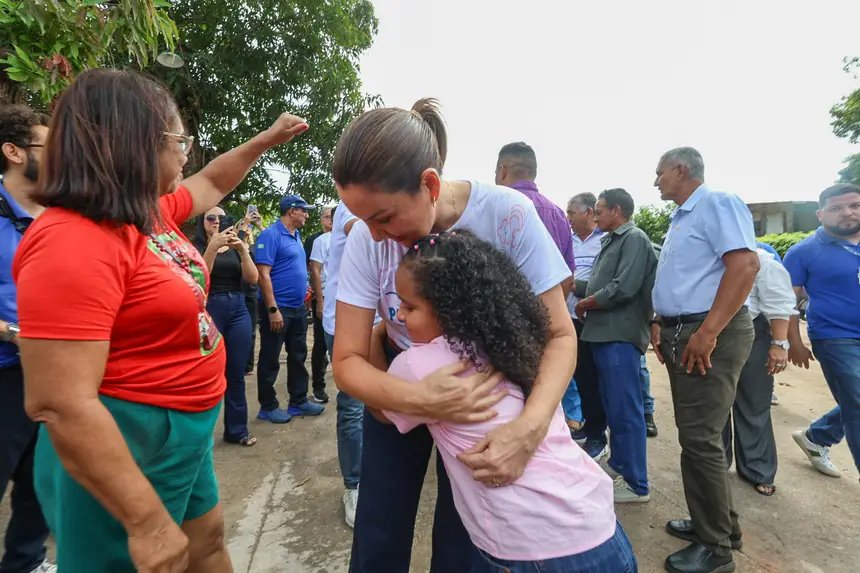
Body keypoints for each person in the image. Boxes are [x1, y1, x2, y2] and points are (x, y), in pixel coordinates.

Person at [13, 68, 308, 572]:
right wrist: (146, 522)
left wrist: (266, 138)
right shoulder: (73, 239)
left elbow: (214, 179)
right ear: (133, 142)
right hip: (125, 444)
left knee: (207, 542)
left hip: (180, 430)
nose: (186, 151)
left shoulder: (146, 213)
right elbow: (61, 402)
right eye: (178, 139)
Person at [331, 99, 576, 573]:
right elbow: (348, 360)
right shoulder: (368, 239)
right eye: (364, 221)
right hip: (398, 388)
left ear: (429, 184)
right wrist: (416, 398)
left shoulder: (508, 215)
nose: (376, 236)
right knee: (379, 529)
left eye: (383, 217)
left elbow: (560, 336)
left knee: (471, 540)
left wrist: (529, 428)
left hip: (484, 399)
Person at [382, 230, 636, 573]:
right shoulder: (517, 347)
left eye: (409, 307)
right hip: (598, 526)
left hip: (530, 551)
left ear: (449, 311)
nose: (399, 317)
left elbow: (380, 409)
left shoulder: (416, 365)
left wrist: (373, 336)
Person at [650, 147, 759, 573]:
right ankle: (718, 526)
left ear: (681, 170)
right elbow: (683, 277)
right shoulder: (682, 219)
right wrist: (661, 321)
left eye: (659, 173)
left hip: (708, 332)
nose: (655, 180)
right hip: (686, 330)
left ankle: (715, 550)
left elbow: (745, 265)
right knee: (700, 439)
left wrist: (707, 333)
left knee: (699, 441)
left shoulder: (716, 203)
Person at [0, 105, 56, 573]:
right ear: (14, 152)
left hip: (56, 372)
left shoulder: (61, 216)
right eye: (47, 146)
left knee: (42, 481)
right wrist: (12, 334)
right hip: (6, 373)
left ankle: (27, 562)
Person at [575, 188, 657, 504]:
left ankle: (637, 483)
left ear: (616, 211)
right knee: (614, 406)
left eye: (599, 210)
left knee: (625, 410)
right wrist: (577, 286)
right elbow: (601, 283)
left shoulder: (634, 238)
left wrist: (586, 302)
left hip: (619, 335)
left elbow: (623, 288)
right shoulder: (611, 241)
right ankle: (622, 468)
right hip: (602, 334)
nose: (595, 216)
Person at [785, 183, 860, 479]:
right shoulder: (803, 252)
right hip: (834, 336)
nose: (847, 213)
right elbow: (786, 302)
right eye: (836, 208)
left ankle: (817, 437)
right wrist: (793, 341)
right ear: (820, 214)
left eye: (854, 205)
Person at [722, 246, 795, 496]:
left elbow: (779, 304)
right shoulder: (708, 259)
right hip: (712, 334)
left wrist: (779, 344)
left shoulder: (763, 262)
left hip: (754, 334)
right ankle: (716, 465)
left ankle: (758, 469)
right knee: (716, 406)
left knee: (753, 404)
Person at [255, 195, 325, 423]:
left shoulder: (295, 236)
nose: (307, 215)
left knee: (298, 355)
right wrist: (272, 309)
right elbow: (263, 275)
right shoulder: (270, 235)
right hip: (279, 308)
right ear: (292, 211)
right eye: (304, 211)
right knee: (270, 357)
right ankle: (268, 406)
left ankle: (298, 401)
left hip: (297, 308)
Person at [193, 208, 259, 446]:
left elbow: (252, 279)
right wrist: (213, 247)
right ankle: (199, 434)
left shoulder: (234, 246)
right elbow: (200, 278)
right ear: (203, 223)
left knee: (236, 372)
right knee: (206, 371)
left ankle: (236, 430)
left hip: (238, 307)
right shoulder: (195, 248)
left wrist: (242, 250)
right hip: (210, 309)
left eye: (222, 219)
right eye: (211, 218)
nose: (216, 222)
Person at [321, 201, 365, 527]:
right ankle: (354, 485)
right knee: (353, 406)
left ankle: (375, 475)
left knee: (383, 406)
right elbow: (367, 231)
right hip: (345, 324)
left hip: (382, 322)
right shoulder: (351, 204)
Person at [495, 142, 575, 287]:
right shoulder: (558, 215)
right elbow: (568, 280)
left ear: (502, 171)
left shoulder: (492, 207)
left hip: (501, 305)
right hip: (547, 306)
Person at [565, 193, 608, 455]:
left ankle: (598, 436)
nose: (568, 217)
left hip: (596, 320)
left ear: (589, 212)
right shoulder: (567, 241)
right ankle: (586, 426)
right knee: (580, 377)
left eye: (571, 212)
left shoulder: (604, 241)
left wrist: (578, 288)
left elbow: (606, 283)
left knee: (595, 380)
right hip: (571, 318)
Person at [305, 205, 334, 403]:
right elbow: (314, 270)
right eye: (327, 216)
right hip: (324, 296)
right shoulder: (318, 241)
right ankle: (318, 385)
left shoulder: (352, 237)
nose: (331, 220)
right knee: (321, 343)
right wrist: (320, 301)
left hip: (346, 298)